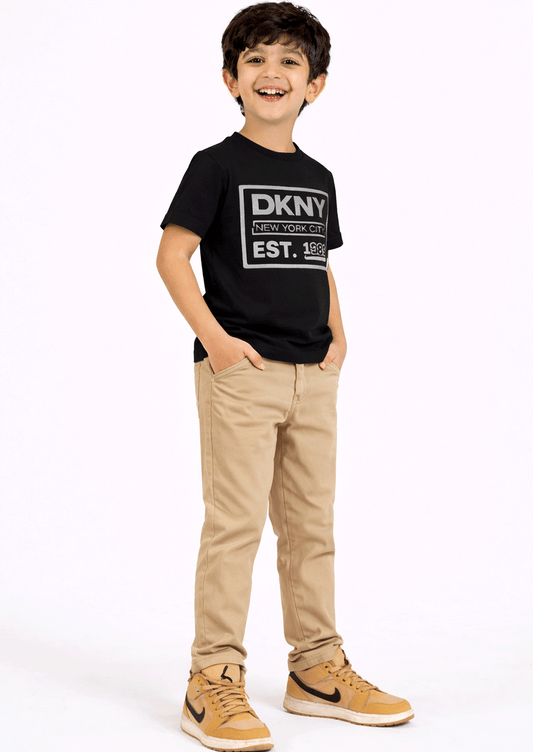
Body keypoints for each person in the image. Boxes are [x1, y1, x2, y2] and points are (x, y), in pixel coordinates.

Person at [156, 3, 413, 749]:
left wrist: (339, 333)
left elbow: (316, 261)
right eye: (257, 60)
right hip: (242, 374)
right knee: (235, 526)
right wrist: (218, 343)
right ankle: (212, 678)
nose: (273, 72)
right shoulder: (215, 165)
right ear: (231, 79)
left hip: (314, 373)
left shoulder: (317, 176)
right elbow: (172, 256)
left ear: (315, 85)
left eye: (290, 61)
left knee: (310, 527)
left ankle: (316, 668)